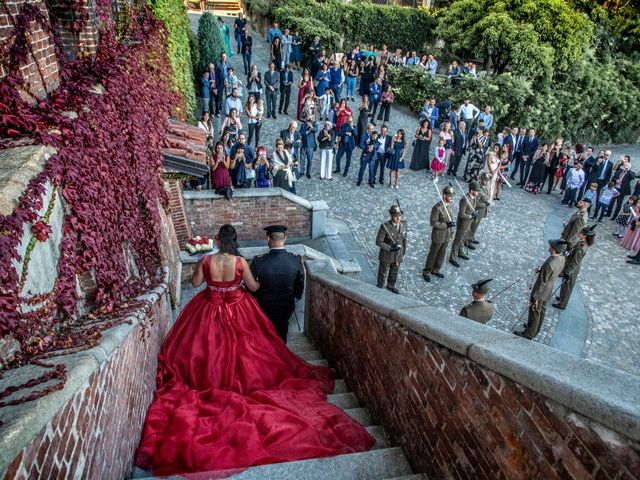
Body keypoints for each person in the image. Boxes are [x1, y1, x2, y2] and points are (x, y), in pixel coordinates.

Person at [133, 224, 376, 475]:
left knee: (206, 351)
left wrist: (205, 273)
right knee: (254, 349)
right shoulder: (240, 262)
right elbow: (254, 288)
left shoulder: (206, 260)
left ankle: (212, 383)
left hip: (209, 309)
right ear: (234, 241)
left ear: (217, 240)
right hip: (238, 309)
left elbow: (196, 284)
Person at [250, 225, 304, 342]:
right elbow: (300, 282)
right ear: (285, 238)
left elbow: (250, 285)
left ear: (268, 239)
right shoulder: (295, 259)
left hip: (264, 305)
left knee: (265, 332)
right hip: (287, 304)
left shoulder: (258, 260)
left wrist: (256, 296)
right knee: (282, 330)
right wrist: (296, 296)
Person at [515, 239, 568, 340]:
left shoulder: (550, 264)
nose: (550, 246)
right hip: (549, 289)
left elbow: (542, 282)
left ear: (554, 248)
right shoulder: (561, 258)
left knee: (535, 311)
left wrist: (535, 295)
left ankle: (529, 333)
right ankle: (534, 328)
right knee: (541, 311)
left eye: (551, 245)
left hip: (541, 291)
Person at [552, 226, 596, 310]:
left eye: (581, 233)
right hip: (569, 265)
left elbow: (575, 262)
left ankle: (562, 304)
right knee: (564, 285)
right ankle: (562, 297)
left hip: (572, 269)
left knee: (567, 286)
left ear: (585, 236)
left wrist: (568, 272)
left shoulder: (581, 247)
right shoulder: (581, 243)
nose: (578, 233)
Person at [422, 185, 455, 283]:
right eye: (450, 196)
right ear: (444, 195)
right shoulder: (437, 208)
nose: (451, 198)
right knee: (433, 253)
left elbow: (450, 218)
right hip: (438, 234)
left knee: (442, 252)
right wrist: (446, 225)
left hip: (447, 234)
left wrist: (451, 228)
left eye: (452, 196)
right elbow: (433, 222)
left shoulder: (450, 204)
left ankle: (436, 269)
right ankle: (427, 271)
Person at [375, 205, 407, 294]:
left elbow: (404, 239)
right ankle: (379, 286)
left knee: (394, 271)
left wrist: (403, 251)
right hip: (387, 255)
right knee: (383, 272)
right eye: (396, 216)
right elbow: (378, 242)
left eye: (399, 215)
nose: (398, 218)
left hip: (398, 253)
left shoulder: (403, 224)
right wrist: (390, 248)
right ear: (391, 216)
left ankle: (391, 285)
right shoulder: (385, 227)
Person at [449, 181, 480, 267]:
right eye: (476, 190)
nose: (477, 192)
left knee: (464, 238)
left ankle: (460, 252)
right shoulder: (464, 200)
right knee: (458, 240)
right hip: (463, 223)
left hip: (469, 223)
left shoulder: (473, 198)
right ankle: (453, 257)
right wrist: (471, 216)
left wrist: (475, 214)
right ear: (471, 190)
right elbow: (461, 214)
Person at [467, 173, 491, 247]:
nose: (486, 182)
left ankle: (471, 237)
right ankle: (468, 240)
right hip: (477, 210)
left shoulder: (485, 188)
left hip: (482, 211)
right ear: (481, 179)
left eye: (487, 181)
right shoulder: (478, 189)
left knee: (476, 226)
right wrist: (484, 204)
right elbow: (475, 202)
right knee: (473, 226)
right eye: (485, 180)